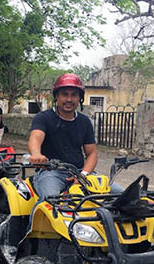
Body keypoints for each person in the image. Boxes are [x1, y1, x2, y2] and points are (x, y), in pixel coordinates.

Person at [28, 73, 100, 201]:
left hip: (79, 172)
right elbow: (36, 137)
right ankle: (33, 221)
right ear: (57, 96)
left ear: (80, 98)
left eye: (74, 95)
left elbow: (92, 153)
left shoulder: (84, 121)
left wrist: (83, 174)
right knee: (50, 202)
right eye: (65, 94)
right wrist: (36, 154)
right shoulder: (43, 118)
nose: (69, 99)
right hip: (51, 172)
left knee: (117, 195)